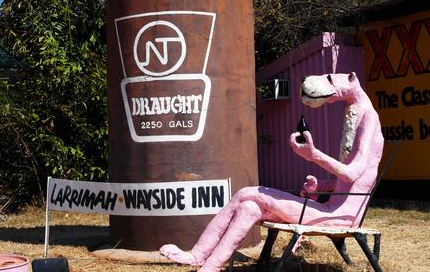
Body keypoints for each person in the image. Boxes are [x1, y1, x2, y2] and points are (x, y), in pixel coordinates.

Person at [160, 73, 384, 272]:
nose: (326, 82)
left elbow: (353, 174)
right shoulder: (354, 113)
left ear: (352, 80)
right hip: (334, 208)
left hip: (341, 217)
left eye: (330, 79)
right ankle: (209, 265)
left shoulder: (369, 117)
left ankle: (198, 255)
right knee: (249, 208)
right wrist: (323, 184)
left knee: (247, 193)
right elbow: (353, 182)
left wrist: (314, 155)